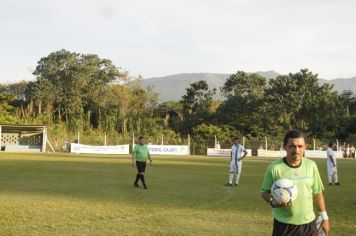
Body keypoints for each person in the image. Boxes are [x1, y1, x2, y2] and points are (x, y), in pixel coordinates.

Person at [261, 130, 330, 236]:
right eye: (292, 146)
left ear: (305, 147)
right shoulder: (274, 168)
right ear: (284, 147)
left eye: (300, 146)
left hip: (309, 225)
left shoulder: (311, 165)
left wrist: (324, 218)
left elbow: (317, 193)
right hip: (284, 225)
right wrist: (272, 200)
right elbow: (264, 192)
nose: (297, 150)